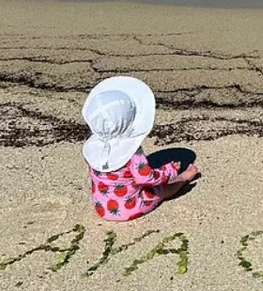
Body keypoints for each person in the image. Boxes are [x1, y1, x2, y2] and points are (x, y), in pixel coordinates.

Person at [82, 76, 198, 221]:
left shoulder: (93, 148)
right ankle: (184, 178)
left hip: (102, 207)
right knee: (160, 190)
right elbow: (147, 179)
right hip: (130, 208)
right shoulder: (132, 153)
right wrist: (169, 171)